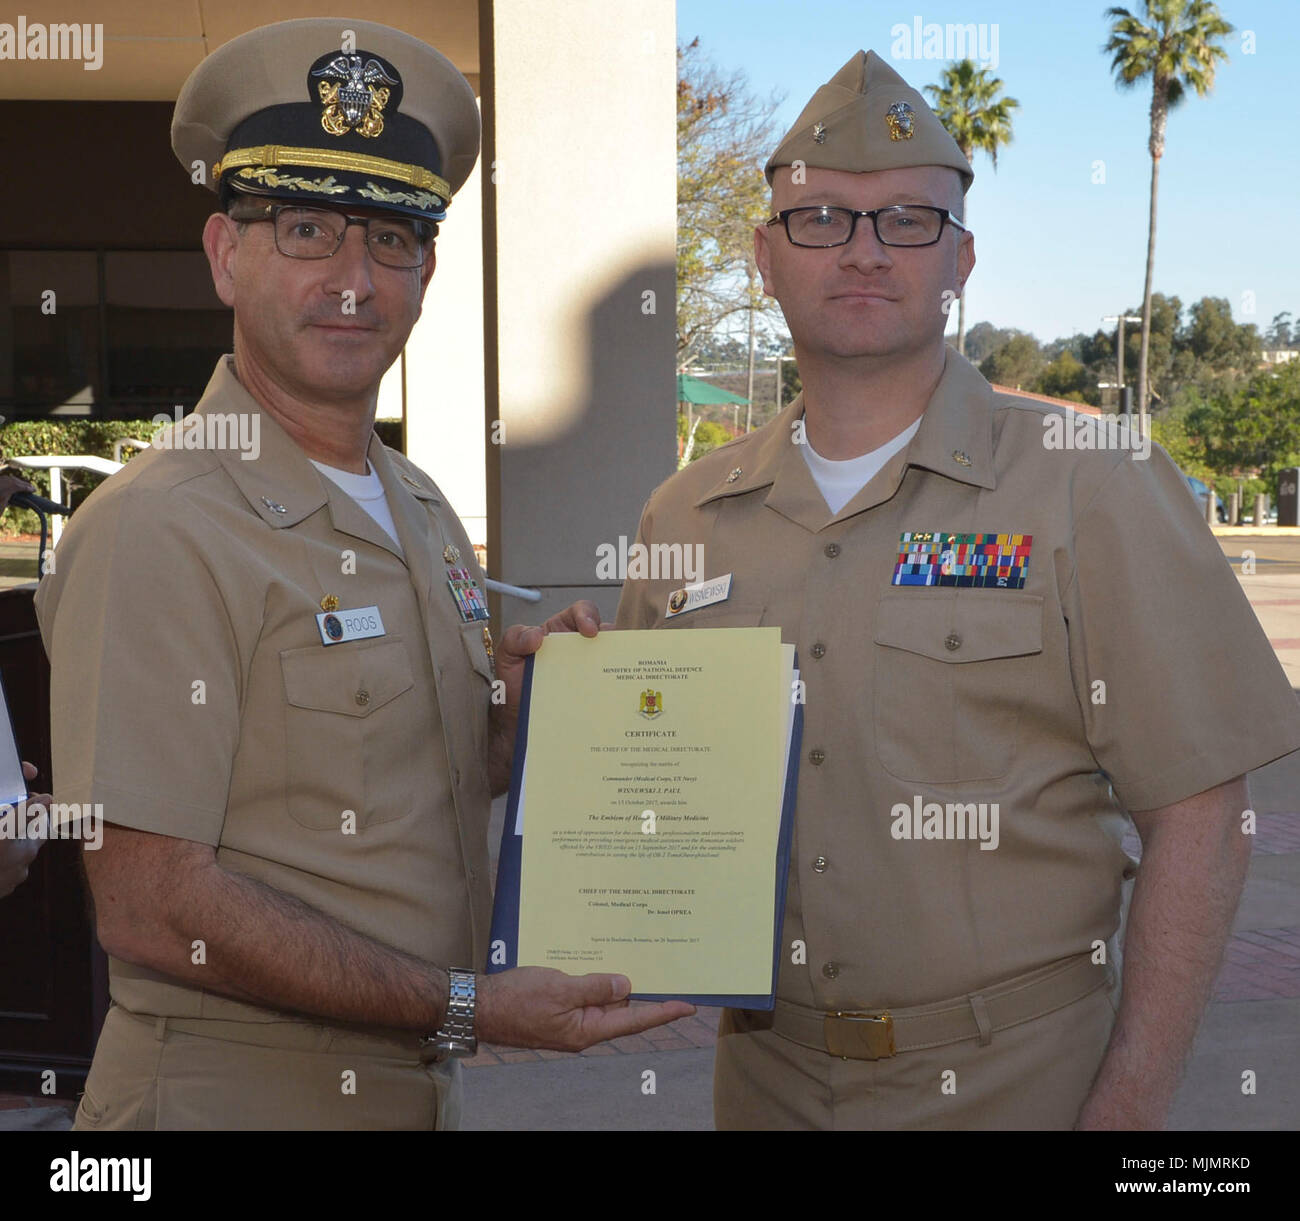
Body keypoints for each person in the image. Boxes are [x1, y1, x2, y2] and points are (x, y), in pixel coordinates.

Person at [615, 50, 1300, 1130]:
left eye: (907, 221)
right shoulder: (682, 519)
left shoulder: (1096, 484)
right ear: (763, 256)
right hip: (764, 1082)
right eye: (822, 219)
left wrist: (1126, 1109)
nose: (864, 251)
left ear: (961, 260)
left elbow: (1203, 819)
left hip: (1019, 1085)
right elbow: (641, 794)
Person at [34, 17, 690, 1131]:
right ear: (223, 254)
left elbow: (407, 776)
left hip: (404, 1090)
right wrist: (466, 1008)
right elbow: (151, 906)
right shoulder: (160, 526)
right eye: (305, 229)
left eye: (391, 239)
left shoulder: (420, 503)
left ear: (428, 270)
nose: (353, 279)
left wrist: (527, 713)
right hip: (229, 1095)